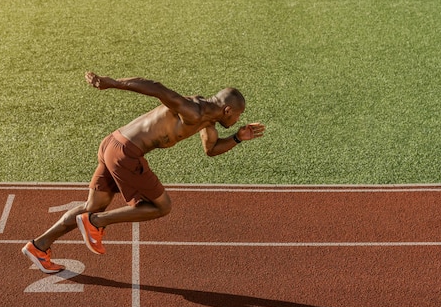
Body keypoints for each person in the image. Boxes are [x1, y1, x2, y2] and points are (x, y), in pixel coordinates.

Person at [22, 71, 265, 273]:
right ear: (227, 110)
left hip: (112, 143)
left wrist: (237, 138)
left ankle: (39, 246)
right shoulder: (195, 110)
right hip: (126, 153)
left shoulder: (207, 123)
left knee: (92, 205)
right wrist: (113, 83)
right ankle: (96, 222)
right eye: (238, 115)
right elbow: (157, 88)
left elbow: (211, 149)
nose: (239, 119)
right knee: (162, 206)